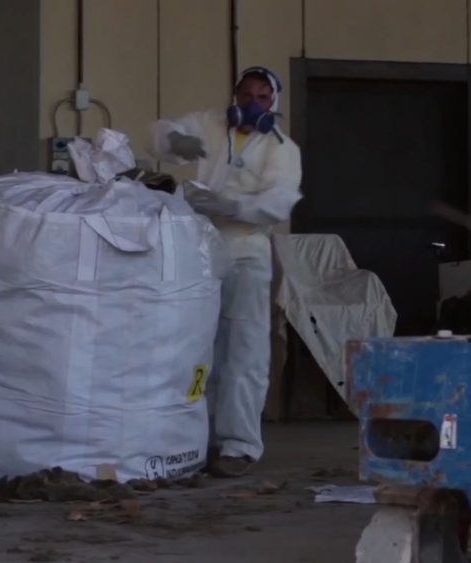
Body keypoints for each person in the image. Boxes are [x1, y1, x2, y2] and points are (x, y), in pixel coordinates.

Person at [150, 66, 303, 477]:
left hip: (247, 251)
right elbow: (164, 135)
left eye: (262, 98)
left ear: (273, 104)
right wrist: (173, 140)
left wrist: (233, 207)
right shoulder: (210, 124)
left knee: (244, 350)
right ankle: (197, 437)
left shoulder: (282, 149)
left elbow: (278, 202)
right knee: (197, 344)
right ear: (234, 96)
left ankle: (239, 445)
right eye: (246, 95)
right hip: (201, 248)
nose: (252, 104)